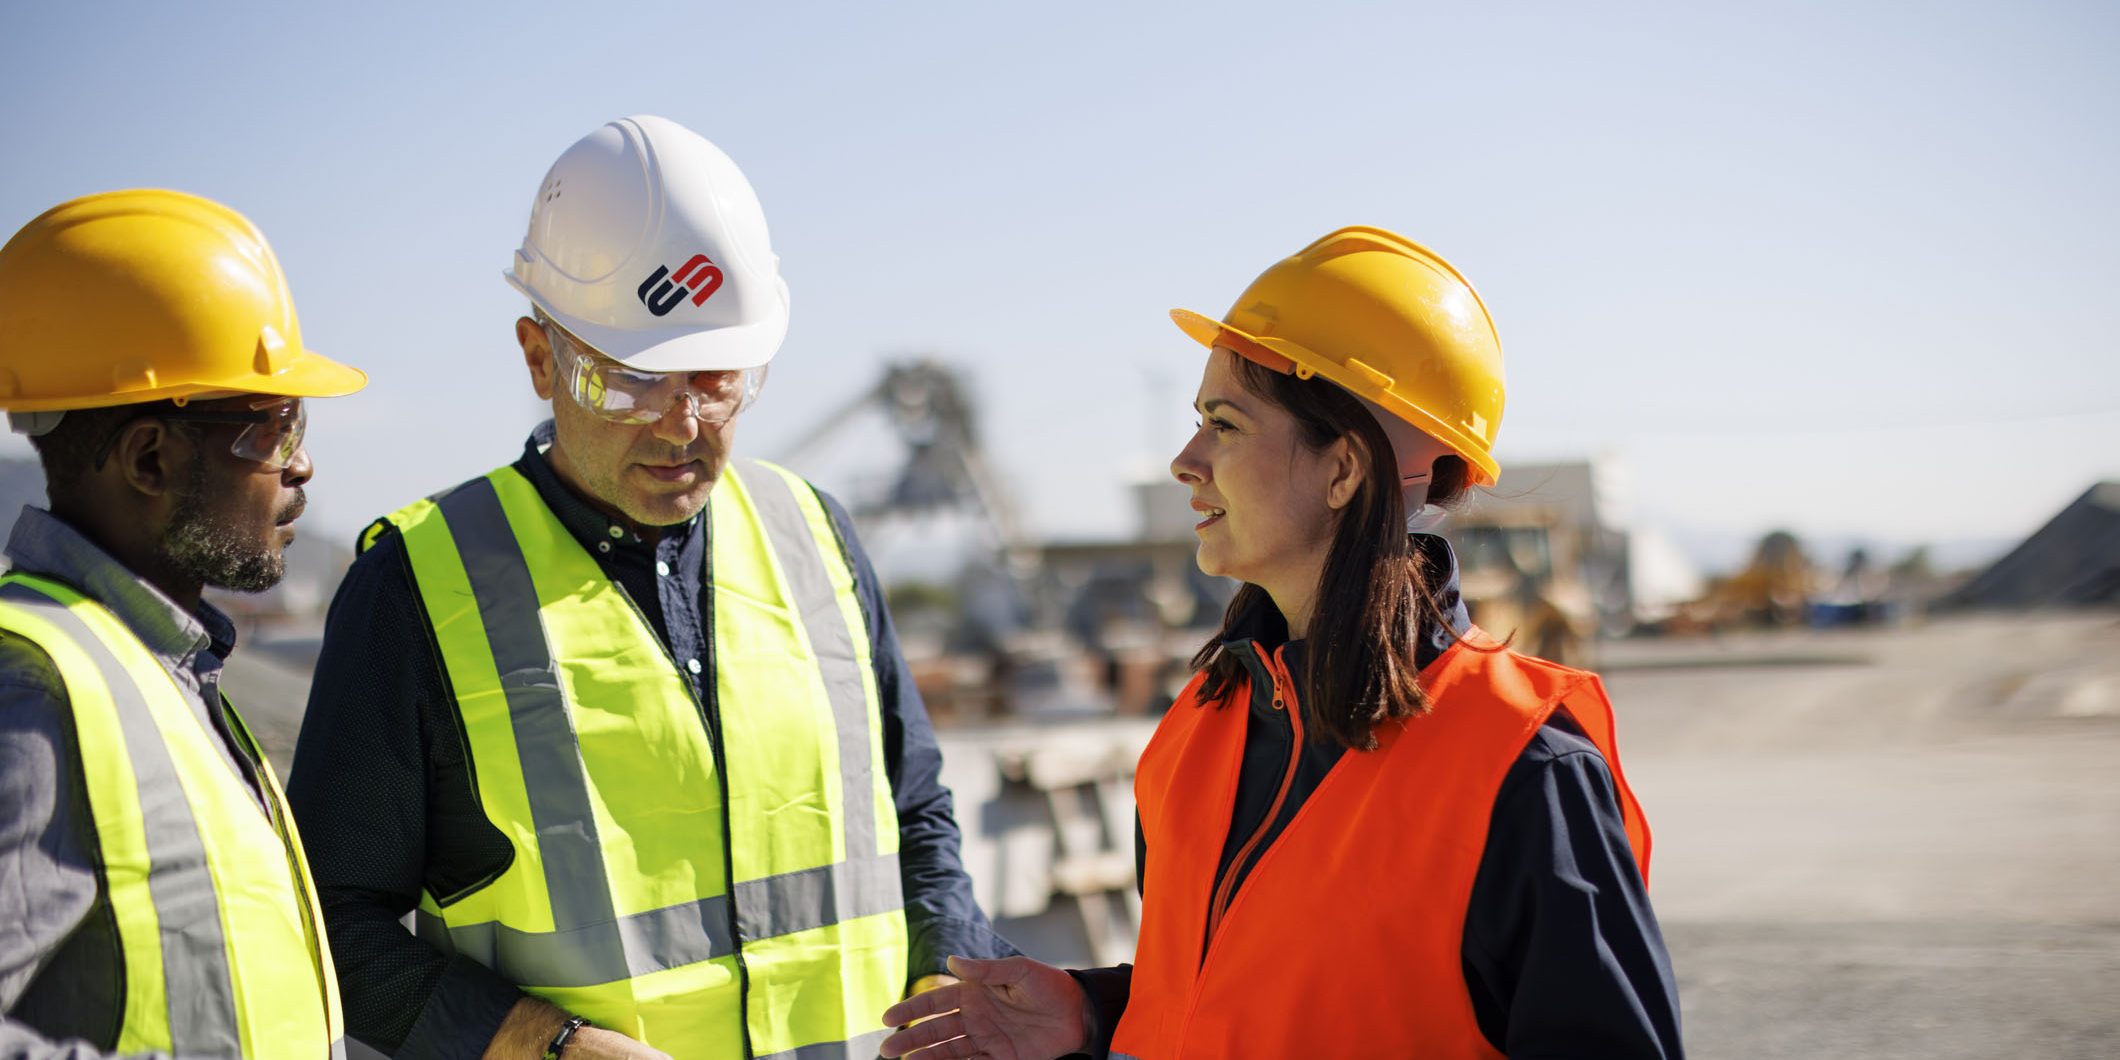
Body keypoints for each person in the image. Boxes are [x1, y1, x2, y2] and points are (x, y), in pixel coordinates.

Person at [287, 115, 1011, 1060]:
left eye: (716, 378)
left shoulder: (817, 537)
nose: (682, 425)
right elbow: (332, 920)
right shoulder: (415, 588)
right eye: (632, 382)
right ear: (539, 357)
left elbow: (916, 815)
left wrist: (948, 978)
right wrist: (547, 1046)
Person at [880, 227, 1683, 1058]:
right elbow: (1248, 1001)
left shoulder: (1522, 764)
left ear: (1343, 470)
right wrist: (1096, 1015)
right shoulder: (1199, 730)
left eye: (1224, 425)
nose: (1185, 461)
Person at [0, 189, 368, 1057]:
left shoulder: (161, 670)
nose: (302, 466)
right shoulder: (35, 695)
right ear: (150, 458)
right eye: (275, 429)